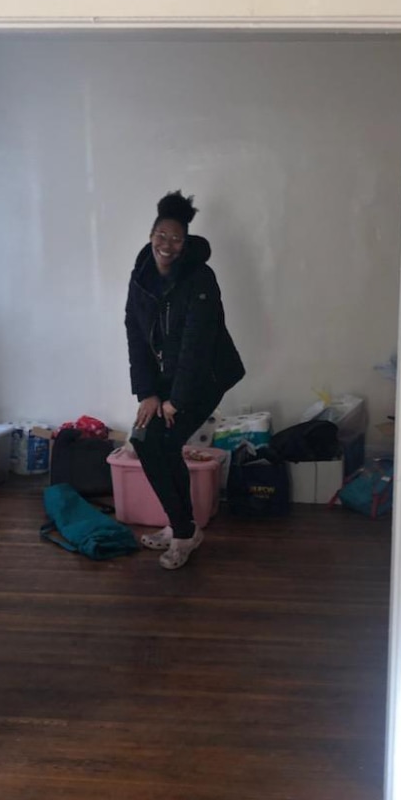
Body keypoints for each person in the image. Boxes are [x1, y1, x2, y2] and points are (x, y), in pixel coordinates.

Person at [125, 190, 245, 569]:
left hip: (206, 376)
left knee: (162, 439)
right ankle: (181, 525)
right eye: (162, 235)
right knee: (146, 441)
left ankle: (183, 532)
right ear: (151, 235)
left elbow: (196, 344)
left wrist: (175, 399)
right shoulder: (142, 275)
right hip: (166, 378)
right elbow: (135, 332)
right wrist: (147, 393)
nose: (167, 244)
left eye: (176, 238)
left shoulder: (200, 277)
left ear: (185, 241)